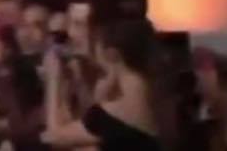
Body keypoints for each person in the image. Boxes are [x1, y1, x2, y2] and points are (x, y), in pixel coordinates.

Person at [41, 18, 173, 151]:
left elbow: (52, 137)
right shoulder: (160, 102)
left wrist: (53, 79)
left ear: (112, 55)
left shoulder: (115, 114)